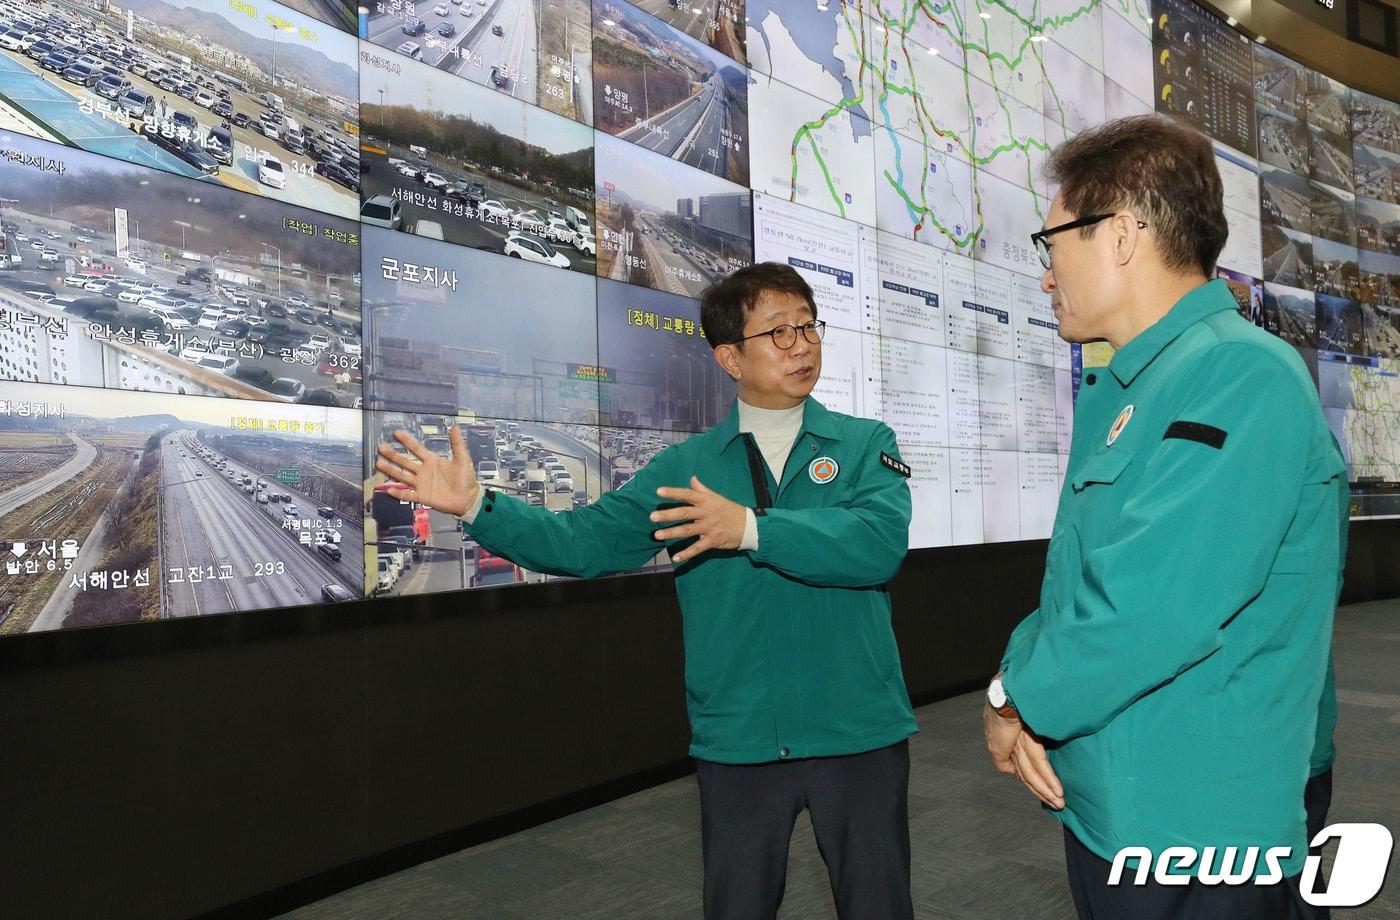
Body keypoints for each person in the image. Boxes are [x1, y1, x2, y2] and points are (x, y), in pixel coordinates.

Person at [376, 262, 919, 920]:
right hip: (740, 741)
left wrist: (748, 528)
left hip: (858, 733)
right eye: (778, 331)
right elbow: (583, 543)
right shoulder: (685, 469)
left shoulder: (865, 444)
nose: (801, 343)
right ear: (728, 357)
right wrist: (479, 506)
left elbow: (876, 545)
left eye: (808, 325)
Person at [981, 115, 1348, 919]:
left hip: (1197, 827)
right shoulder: (1125, 386)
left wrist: (1015, 699)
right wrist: (1022, 680)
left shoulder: (1239, 377)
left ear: (1120, 235)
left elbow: (1151, 608)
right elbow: (1078, 578)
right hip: (1114, 800)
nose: (1046, 274)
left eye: (1053, 245)